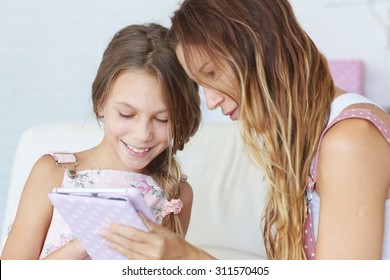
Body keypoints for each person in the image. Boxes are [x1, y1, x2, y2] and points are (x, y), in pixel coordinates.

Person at [99, 0, 390, 260]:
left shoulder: (350, 141)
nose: (211, 101)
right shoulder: (304, 140)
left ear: (258, 48)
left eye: (212, 73)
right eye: (202, 85)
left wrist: (190, 259)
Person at [0, 23, 201, 259]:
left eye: (162, 119)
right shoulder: (53, 173)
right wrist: (84, 243)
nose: (142, 133)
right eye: (126, 114)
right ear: (100, 103)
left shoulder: (177, 192)